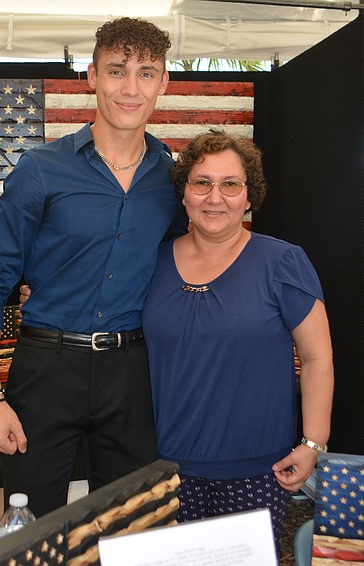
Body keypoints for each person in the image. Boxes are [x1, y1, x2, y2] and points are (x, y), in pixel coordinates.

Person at [0, 17, 186, 518]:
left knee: (131, 524)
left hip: (133, 370)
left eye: (146, 73)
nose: (131, 88)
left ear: (164, 83)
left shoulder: (174, 179)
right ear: (91, 76)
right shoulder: (42, 169)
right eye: (116, 71)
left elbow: (186, 268)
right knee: (30, 526)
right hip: (46, 370)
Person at [141, 130, 334, 546]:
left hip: (256, 473)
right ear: (184, 194)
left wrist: (313, 442)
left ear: (250, 197)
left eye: (230, 184)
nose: (215, 197)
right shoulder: (151, 261)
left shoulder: (282, 261)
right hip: (162, 469)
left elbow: (318, 358)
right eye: (202, 183)